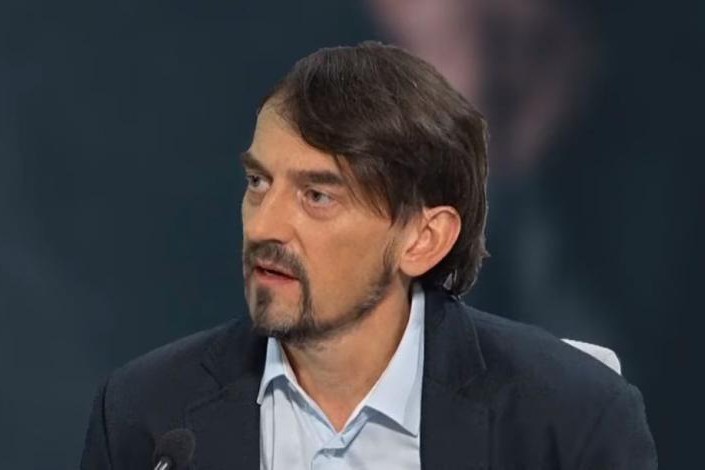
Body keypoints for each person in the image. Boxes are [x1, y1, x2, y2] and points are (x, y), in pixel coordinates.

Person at [81, 42, 657, 469]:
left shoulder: (569, 421)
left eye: (318, 195)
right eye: (258, 182)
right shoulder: (144, 414)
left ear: (423, 239)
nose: (264, 225)